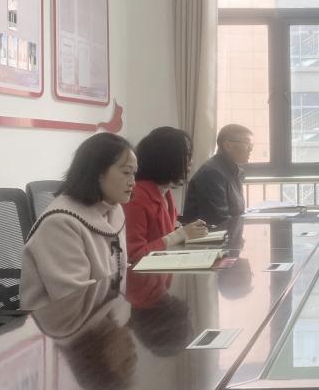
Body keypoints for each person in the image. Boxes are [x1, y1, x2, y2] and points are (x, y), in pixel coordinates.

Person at [21, 133, 135, 310]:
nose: (133, 182)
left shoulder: (113, 210)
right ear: (98, 172)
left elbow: (120, 272)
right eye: (126, 172)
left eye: (134, 174)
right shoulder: (60, 223)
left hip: (104, 313)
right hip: (59, 322)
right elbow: (73, 300)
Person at [123, 126, 207, 265]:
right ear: (167, 159)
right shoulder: (135, 197)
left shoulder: (165, 191)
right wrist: (181, 234)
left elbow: (164, 236)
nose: (191, 161)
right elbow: (134, 255)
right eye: (186, 155)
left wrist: (188, 232)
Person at [182, 123, 252, 226]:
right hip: (212, 235)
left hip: (230, 232)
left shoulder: (233, 171)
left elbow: (237, 212)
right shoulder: (212, 174)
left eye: (251, 144)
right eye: (247, 143)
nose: (251, 149)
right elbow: (219, 221)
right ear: (228, 145)